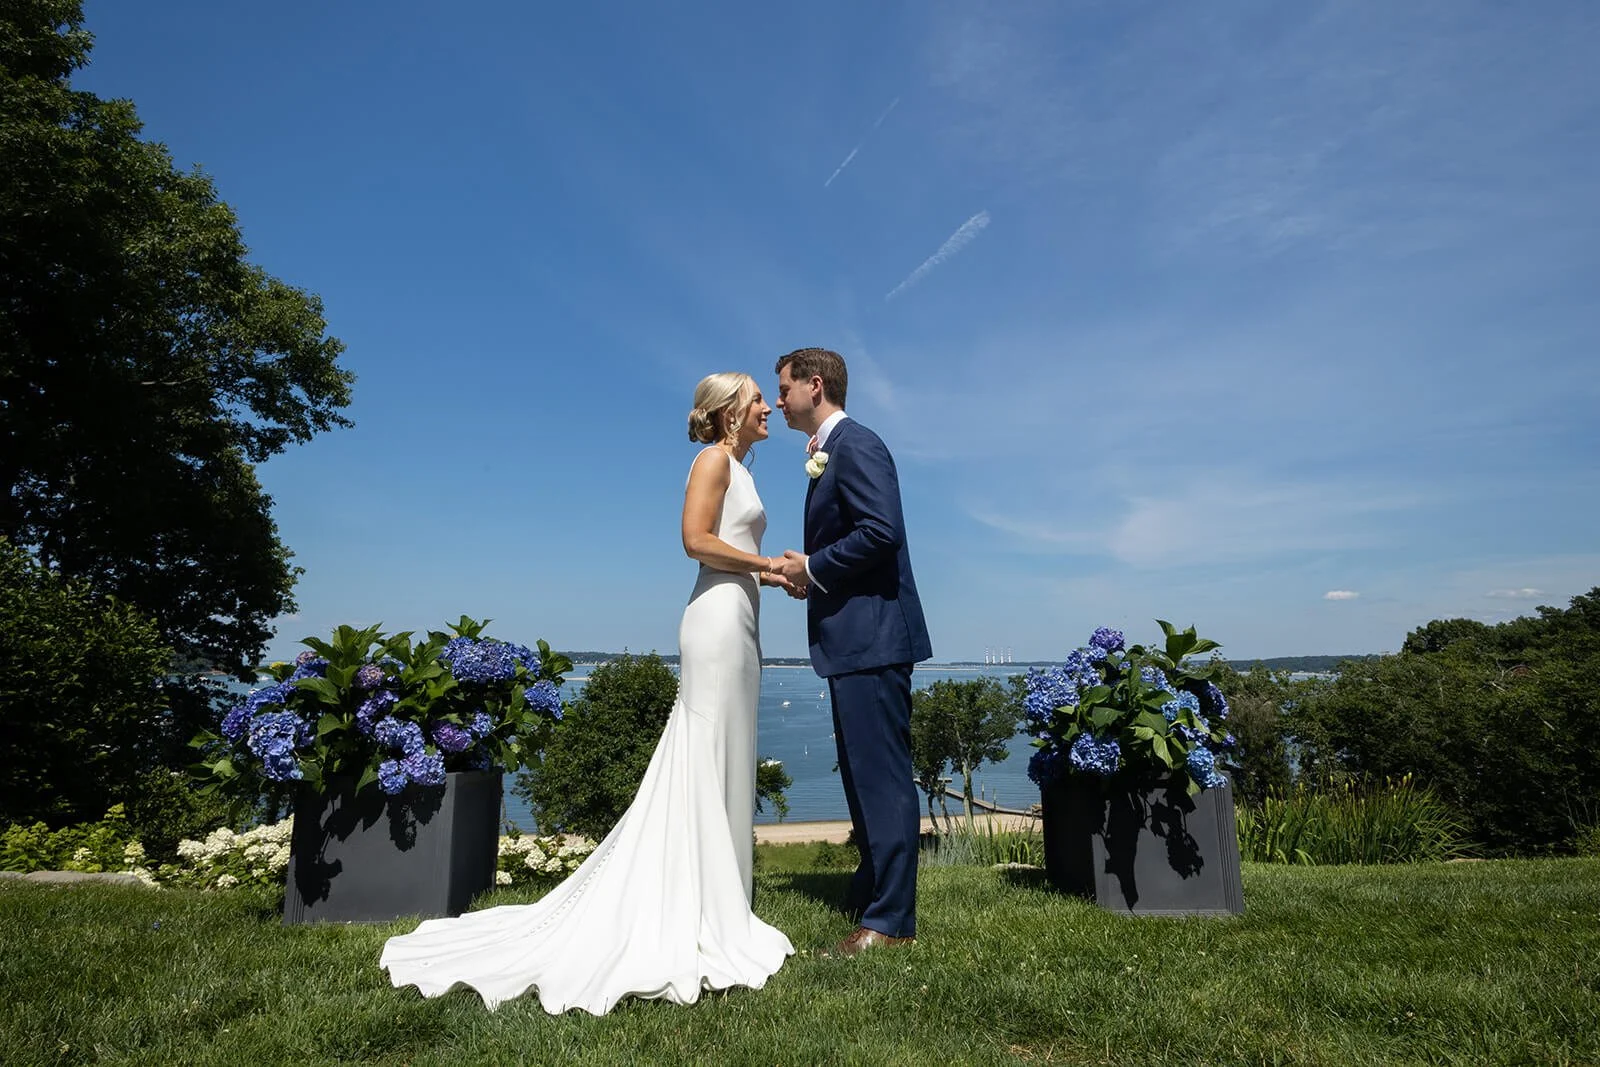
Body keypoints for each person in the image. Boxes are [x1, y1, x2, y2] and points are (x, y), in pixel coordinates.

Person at [379, 372, 796, 1014]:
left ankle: (724, 899)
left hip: (741, 619)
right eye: (757, 399)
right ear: (728, 413)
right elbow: (695, 541)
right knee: (705, 749)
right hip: (713, 624)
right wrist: (765, 565)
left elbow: (731, 547)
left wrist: (772, 577)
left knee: (729, 755)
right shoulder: (712, 459)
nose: (768, 405)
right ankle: (702, 905)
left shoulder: (743, 470)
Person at [770, 347, 932, 956]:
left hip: (873, 640)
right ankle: (874, 891)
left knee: (882, 779)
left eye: (784, 388)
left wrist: (812, 565)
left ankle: (890, 923)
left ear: (817, 387)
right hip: (854, 642)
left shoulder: (856, 444)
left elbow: (882, 531)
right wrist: (809, 572)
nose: (778, 399)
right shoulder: (826, 452)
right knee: (863, 779)